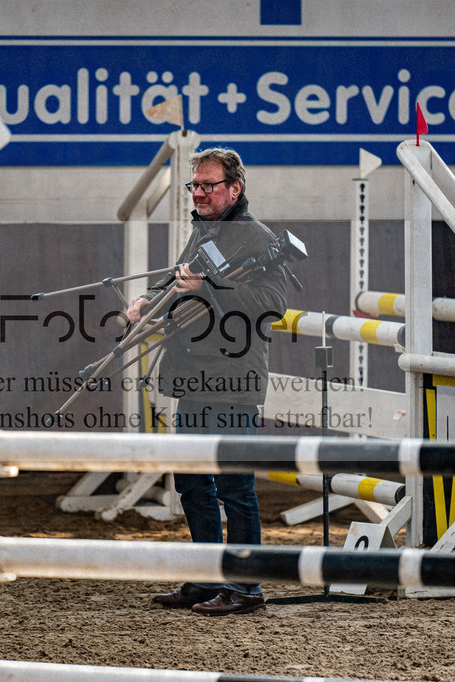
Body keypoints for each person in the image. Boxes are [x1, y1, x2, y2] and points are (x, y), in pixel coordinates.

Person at [126, 148, 288, 616]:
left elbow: (271, 303)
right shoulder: (203, 231)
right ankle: (204, 577)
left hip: (233, 379)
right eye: (193, 185)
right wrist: (146, 299)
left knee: (235, 486)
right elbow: (177, 282)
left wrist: (208, 289)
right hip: (194, 378)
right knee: (193, 483)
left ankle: (246, 588)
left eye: (207, 185)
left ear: (234, 189)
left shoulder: (256, 238)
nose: (197, 193)